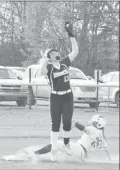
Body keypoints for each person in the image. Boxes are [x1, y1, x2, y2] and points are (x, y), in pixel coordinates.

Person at [39, 22, 79, 161]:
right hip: (55, 97)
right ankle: (54, 149)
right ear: (49, 57)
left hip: (68, 96)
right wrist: (44, 60)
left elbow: (75, 51)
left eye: (56, 52)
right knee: (55, 122)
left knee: (67, 121)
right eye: (53, 53)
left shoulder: (64, 63)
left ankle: (66, 143)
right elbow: (41, 72)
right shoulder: (49, 67)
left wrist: (71, 35)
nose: (56, 54)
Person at [4, 115, 111, 163]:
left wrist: (73, 121)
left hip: (78, 149)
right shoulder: (102, 136)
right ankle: (41, 156)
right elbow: (106, 151)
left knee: (57, 144)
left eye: (95, 122)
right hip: (82, 154)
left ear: (99, 124)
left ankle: (35, 154)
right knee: (60, 153)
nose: (92, 123)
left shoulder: (93, 130)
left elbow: (83, 128)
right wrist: (109, 160)